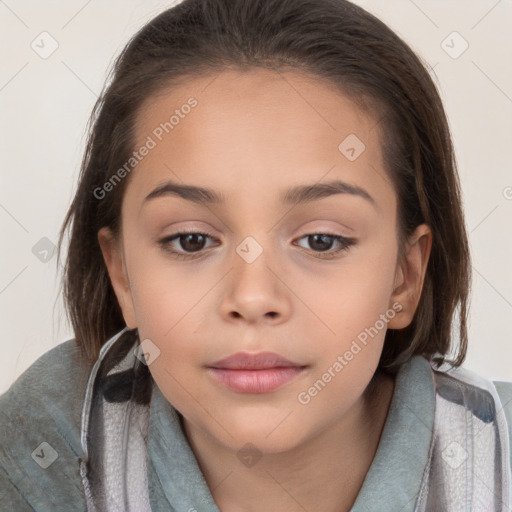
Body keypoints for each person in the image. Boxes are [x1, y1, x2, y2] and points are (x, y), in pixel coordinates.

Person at [1, 0, 511, 510]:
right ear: (123, 275)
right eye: (191, 240)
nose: (252, 298)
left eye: (321, 240)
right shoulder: (47, 447)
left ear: (405, 276)